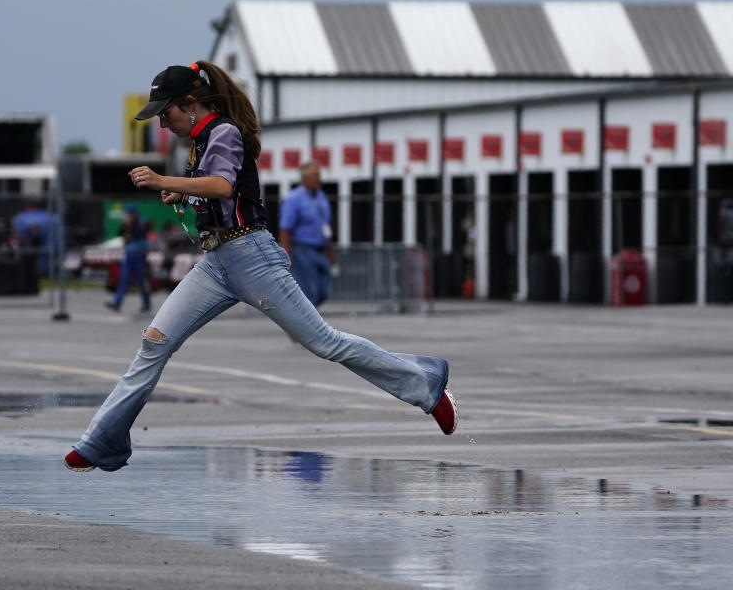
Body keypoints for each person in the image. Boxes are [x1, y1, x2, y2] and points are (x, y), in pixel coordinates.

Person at [64, 61, 457, 473]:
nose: (163, 123)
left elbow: (221, 185)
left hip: (253, 257)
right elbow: (210, 196)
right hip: (216, 263)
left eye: (167, 113)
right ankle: (100, 443)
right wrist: (180, 197)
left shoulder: (224, 132)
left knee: (325, 342)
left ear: (191, 103)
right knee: (153, 342)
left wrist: (166, 182)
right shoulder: (198, 140)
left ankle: (426, 385)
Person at [278, 161, 336, 307]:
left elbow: (326, 226)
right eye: (316, 175)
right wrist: (286, 253)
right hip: (303, 251)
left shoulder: (321, 196)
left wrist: (330, 250)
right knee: (309, 293)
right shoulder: (294, 199)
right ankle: (307, 328)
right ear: (304, 178)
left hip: (321, 251)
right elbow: (285, 228)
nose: (320, 179)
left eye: (320, 175)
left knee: (323, 291)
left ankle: (301, 322)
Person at [105, 204, 152, 313]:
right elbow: (121, 234)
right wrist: (124, 226)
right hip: (129, 254)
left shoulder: (141, 223)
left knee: (141, 280)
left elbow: (140, 234)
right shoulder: (126, 224)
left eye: (131, 214)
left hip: (139, 255)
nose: (129, 216)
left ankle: (146, 303)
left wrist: (131, 225)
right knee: (123, 278)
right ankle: (117, 303)